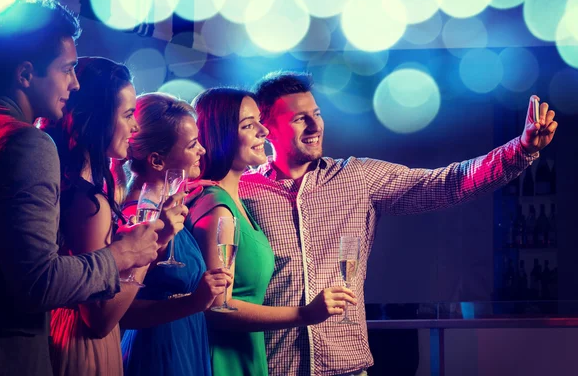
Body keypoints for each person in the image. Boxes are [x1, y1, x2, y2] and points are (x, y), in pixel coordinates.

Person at [239, 71, 558, 376]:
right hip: (272, 367)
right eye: (299, 118)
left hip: (345, 368)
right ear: (267, 129)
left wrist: (521, 150)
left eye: (317, 114)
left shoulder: (356, 177)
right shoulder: (243, 190)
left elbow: (447, 183)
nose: (314, 126)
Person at [0, 0, 162, 375]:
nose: (74, 83)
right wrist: (124, 255)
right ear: (26, 74)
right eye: (67, 69)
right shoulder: (27, 144)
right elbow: (37, 282)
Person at [185, 87, 357, 376]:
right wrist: (305, 314)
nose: (264, 130)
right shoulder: (217, 207)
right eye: (249, 125)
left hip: (248, 354)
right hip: (226, 361)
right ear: (221, 133)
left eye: (259, 122)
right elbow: (217, 308)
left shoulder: (235, 200)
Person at [39, 57, 186, 375]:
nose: (135, 126)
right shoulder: (88, 201)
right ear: (97, 118)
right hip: (82, 347)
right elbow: (101, 318)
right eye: (128, 114)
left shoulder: (75, 182)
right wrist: (149, 248)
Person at [119, 92, 233, 376]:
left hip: (185, 341)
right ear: (157, 161)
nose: (203, 151)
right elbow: (123, 313)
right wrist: (194, 302)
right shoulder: (137, 218)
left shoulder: (168, 210)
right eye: (193, 145)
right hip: (159, 352)